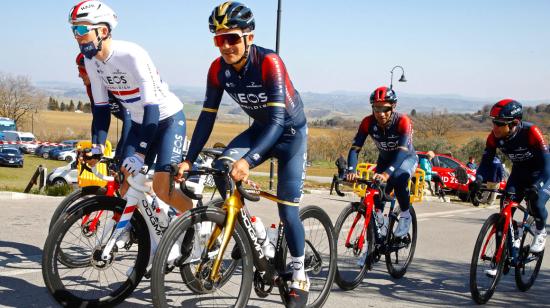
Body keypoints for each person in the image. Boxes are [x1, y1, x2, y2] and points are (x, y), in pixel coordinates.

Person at [176, 2, 309, 306]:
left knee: (288, 211)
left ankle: (299, 268)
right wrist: (189, 158)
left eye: (232, 38)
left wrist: (248, 161)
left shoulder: (269, 63)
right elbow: (207, 116)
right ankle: (255, 231)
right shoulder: (217, 69)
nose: (225, 46)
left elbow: (278, 121)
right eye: (218, 39)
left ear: (249, 36)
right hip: (261, 130)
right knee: (223, 167)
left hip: (289, 135)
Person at [68, 1, 192, 213]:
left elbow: (151, 108)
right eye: (73, 29)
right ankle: (150, 232)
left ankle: (195, 222)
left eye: (81, 29)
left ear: (103, 31)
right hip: (138, 123)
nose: (76, 36)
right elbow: (100, 109)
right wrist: (98, 147)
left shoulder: (132, 54)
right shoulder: (91, 61)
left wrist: (141, 155)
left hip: (166, 120)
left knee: (162, 188)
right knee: (125, 186)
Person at [476, 99, 550, 253]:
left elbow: (546, 165)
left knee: (536, 203)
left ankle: (541, 231)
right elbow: (486, 162)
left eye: (500, 123)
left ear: (514, 123)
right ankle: (499, 258)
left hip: (541, 172)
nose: (495, 127)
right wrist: (478, 180)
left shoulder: (531, 132)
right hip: (519, 172)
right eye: (494, 122)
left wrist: (536, 187)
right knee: (504, 212)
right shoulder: (493, 137)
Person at [346, 86, 418, 238]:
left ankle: (405, 215)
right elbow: (354, 149)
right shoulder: (367, 122)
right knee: (375, 190)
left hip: (406, 158)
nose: (381, 114)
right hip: (384, 160)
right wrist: (351, 169)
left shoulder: (402, 121)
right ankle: (379, 226)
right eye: (377, 109)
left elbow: (402, 151)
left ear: (393, 107)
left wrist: (387, 174)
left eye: (385, 109)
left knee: (398, 177)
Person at [76, 52, 132, 164]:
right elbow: (97, 119)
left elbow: (129, 122)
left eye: (82, 70)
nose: (79, 75)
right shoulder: (91, 88)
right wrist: (95, 149)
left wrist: (119, 155)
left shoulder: (115, 85)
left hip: (144, 124)